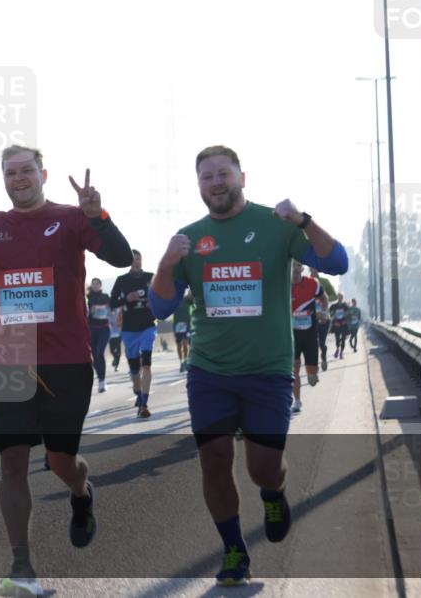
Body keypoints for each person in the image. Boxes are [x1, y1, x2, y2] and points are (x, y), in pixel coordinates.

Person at [0, 145, 132, 597]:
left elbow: (119, 258)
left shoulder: (72, 217)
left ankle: (81, 492)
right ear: (2, 178)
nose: (18, 178)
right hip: (10, 359)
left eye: (26, 170)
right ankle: (22, 568)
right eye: (10, 172)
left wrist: (98, 215)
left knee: (60, 460)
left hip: (67, 360)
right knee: (12, 463)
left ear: (43, 173)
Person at [148, 145, 348, 586]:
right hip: (210, 372)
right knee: (214, 461)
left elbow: (338, 262)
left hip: (269, 370)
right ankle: (234, 549)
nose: (216, 183)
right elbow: (160, 307)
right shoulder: (189, 237)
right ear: (199, 185)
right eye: (207, 177)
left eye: (224, 174)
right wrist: (166, 263)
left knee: (262, 467)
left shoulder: (276, 226)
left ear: (242, 177)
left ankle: (273, 494)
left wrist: (304, 221)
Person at [110, 250, 157, 418]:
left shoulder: (151, 277)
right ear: (129, 262)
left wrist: (156, 304)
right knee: (134, 369)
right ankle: (138, 392)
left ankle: (144, 403)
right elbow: (111, 302)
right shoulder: (122, 280)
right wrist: (126, 299)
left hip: (148, 326)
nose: (137, 262)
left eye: (139, 259)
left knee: (147, 364)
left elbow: (162, 295)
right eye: (134, 260)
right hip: (129, 329)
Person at [290, 260, 326, 413]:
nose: (295, 269)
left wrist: (323, 312)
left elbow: (323, 299)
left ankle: (313, 372)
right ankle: (297, 401)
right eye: (292, 265)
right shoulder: (283, 285)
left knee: (311, 377)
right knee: (294, 370)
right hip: (292, 334)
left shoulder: (313, 284)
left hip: (310, 333)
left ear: (302, 268)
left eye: (298, 265)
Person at [87, 278, 112, 393]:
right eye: (93, 284)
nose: (95, 285)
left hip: (104, 328)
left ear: (101, 285)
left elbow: (111, 309)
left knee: (99, 352)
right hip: (92, 329)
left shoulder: (106, 296)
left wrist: (106, 309)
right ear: (91, 285)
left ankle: (102, 381)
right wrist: (90, 311)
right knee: (94, 356)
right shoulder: (87, 297)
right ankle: (100, 377)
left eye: (97, 284)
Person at [309, 267, 331, 371]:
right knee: (313, 343)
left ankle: (324, 358)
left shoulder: (321, 288)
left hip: (324, 320)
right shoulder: (307, 287)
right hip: (312, 320)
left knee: (322, 343)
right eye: (310, 271)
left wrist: (323, 314)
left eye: (314, 271)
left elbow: (325, 302)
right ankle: (314, 365)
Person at [172, 292, 193, 372]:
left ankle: (186, 361)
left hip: (187, 324)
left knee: (185, 343)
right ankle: (181, 362)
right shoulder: (174, 301)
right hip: (177, 325)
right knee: (179, 345)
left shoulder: (187, 299)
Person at [329, 293, 349, 359]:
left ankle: (341, 353)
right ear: (337, 297)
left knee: (343, 339)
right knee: (337, 338)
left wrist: (345, 321)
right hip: (336, 324)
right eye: (339, 297)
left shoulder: (345, 305)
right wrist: (334, 322)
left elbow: (349, 314)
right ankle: (337, 349)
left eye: (341, 297)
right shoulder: (333, 306)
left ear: (342, 298)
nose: (340, 298)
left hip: (343, 324)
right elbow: (330, 314)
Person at [108, 307, 123, 373]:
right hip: (110, 336)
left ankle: (116, 365)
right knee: (112, 351)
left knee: (118, 352)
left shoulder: (118, 311)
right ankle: (115, 358)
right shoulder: (107, 313)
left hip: (118, 335)